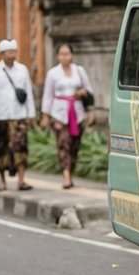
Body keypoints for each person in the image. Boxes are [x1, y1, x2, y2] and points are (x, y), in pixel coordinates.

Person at [0, 39, 35, 191]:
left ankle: (21, 179)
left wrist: (31, 114)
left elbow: (28, 92)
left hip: (19, 116)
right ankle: (2, 180)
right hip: (0, 116)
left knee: (21, 147)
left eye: (14, 52)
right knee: (1, 148)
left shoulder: (22, 70)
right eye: (9, 52)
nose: (12, 55)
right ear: (2, 54)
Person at [40, 44, 95, 189]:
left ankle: (70, 171)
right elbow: (48, 95)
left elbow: (89, 90)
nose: (65, 57)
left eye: (67, 54)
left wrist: (83, 94)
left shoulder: (79, 71)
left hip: (77, 112)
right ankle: (66, 176)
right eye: (62, 54)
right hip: (59, 112)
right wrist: (45, 115)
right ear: (58, 56)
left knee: (74, 146)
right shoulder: (53, 73)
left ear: (72, 55)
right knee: (63, 143)